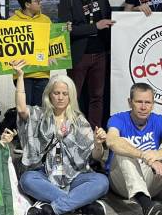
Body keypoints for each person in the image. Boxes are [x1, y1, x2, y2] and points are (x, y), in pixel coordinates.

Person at [12, 61, 109, 215]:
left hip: (75, 175)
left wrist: (98, 144)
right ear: (49, 94)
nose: (60, 97)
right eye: (56, 93)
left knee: (102, 182)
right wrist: (20, 76)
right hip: (46, 175)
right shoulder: (40, 115)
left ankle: (53, 209)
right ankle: (80, 205)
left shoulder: (79, 121)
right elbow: (21, 109)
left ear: (71, 96)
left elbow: (95, 156)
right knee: (27, 180)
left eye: (65, 94)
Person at [106, 83, 162, 215]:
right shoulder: (118, 119)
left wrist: (159, 154)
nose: (144, 107)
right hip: (122, 182)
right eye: (139, 102)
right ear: (130, 102)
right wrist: (146, 157)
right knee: (122, 143)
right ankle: (146, 204)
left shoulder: (157, 120)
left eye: (148, 102)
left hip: (150, 179)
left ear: (153, 104)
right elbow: (111, 141)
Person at [57, 0, 114, 129]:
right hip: (79, 55)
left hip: (101, 53)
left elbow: (109, 18)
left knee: (97, 96)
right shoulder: (68, 0)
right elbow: (67, 30)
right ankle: (72, 129)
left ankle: (95, 131)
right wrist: (94, 27)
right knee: (73, 96)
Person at [9, 0, 53, 107]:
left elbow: (53, 41)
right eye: (37, 0)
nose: (41, 2)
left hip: (42, 74)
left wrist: (65, 30)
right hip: (22, 74)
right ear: (27, 4)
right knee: (24, 109)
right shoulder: (11, 22)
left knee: (40, 110)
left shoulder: (46, 20)